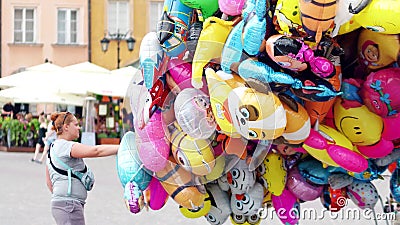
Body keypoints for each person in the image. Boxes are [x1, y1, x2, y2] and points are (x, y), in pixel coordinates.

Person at [45, 111, 119, 225]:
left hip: (62, 204)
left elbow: (49, 183)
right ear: (66, 127)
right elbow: (96, 151)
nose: (79, 128)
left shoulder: (52, 149)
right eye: (76, 124)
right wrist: (121, 147)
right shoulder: (65, 146)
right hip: (69, 206)